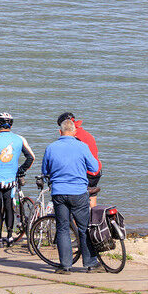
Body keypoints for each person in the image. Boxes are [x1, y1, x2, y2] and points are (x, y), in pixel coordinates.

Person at [41, 115, 103, 273]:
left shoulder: (51, 147)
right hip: (78, 192)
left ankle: (65, 266)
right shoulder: (82, 147)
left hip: (59, 193)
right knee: (84, 228)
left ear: (60, 132)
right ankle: (90, 263)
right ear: (74, 132)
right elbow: (94, 167)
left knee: (62, 228)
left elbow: (45, 171)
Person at [0, 112, 36, 249]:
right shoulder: (19, 139)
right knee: (9, 207)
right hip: (11, 180)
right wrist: (20, 170)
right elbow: (31, 158)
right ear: (11, 124)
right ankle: (10, 238)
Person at [58, 112, 101, 208]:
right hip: (96, 171)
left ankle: (75, 221)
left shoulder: (74, 137)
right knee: (92, 197)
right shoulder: (85, 133)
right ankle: (93, 220)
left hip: (86, 172)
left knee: (74, 203)